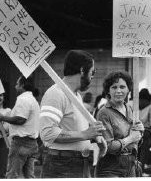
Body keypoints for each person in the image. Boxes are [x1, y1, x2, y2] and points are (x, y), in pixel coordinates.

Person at [39, 50, 107, 178]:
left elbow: (73, 129)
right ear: (82, 70)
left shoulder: (76, 96)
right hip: (62, 166)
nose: (92, 77)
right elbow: (47, 133)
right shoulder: (55, 94)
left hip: (77, 164)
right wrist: (85, 134)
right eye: (93, 72)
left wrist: (93, 137)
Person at [95, 71, 144, 177]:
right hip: (110, 169)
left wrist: (140, 132)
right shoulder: (104, 113)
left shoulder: (130, 109)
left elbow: (137, 142)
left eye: (122, 87)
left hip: (131, 166)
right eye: (114, 87)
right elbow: (107, 147)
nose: (118, 91)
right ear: (108, 90)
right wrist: (130, 138)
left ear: (128, 89)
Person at [0, 75, 40, 178]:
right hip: (31, 143)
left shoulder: (23, 99)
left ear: (22, 85)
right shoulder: (32, 99)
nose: (15, 86)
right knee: (29, 176)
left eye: (17, 84)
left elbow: (20, 119)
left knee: (12, 175)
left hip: (21, 143)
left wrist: (2, 118)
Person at [138, 88, 151, 176]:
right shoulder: (150, 107)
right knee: (144, 152)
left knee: (135, 152)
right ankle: (141, 170)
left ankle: (133, 171)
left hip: (134, 130)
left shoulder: (134, 105)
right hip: (146, 131)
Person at [0, 91, 11, 178]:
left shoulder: (8, 111)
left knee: (3, 166)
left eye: (1, 95)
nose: (0, 97)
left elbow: (8, 128)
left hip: (3, 140)